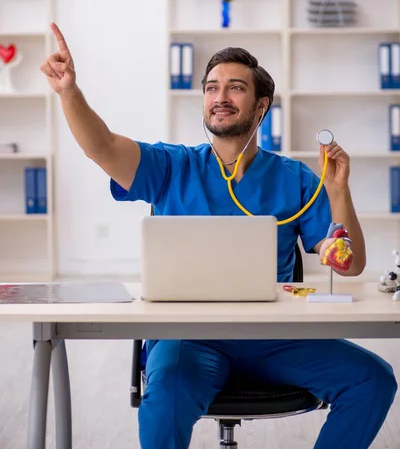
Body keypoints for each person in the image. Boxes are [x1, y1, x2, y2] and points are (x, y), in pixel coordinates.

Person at [41, 22, 397, 449]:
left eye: (234, 88)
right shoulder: (170, 166)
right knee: (167, 395)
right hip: (189, 339)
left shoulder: (295, 178)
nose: (220, 97)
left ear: (262, 105)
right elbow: (100, 146)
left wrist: (338, 192)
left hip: (277, 338)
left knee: (372, 380)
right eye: (211, 88)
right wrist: (68, 92)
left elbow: (349, 262)